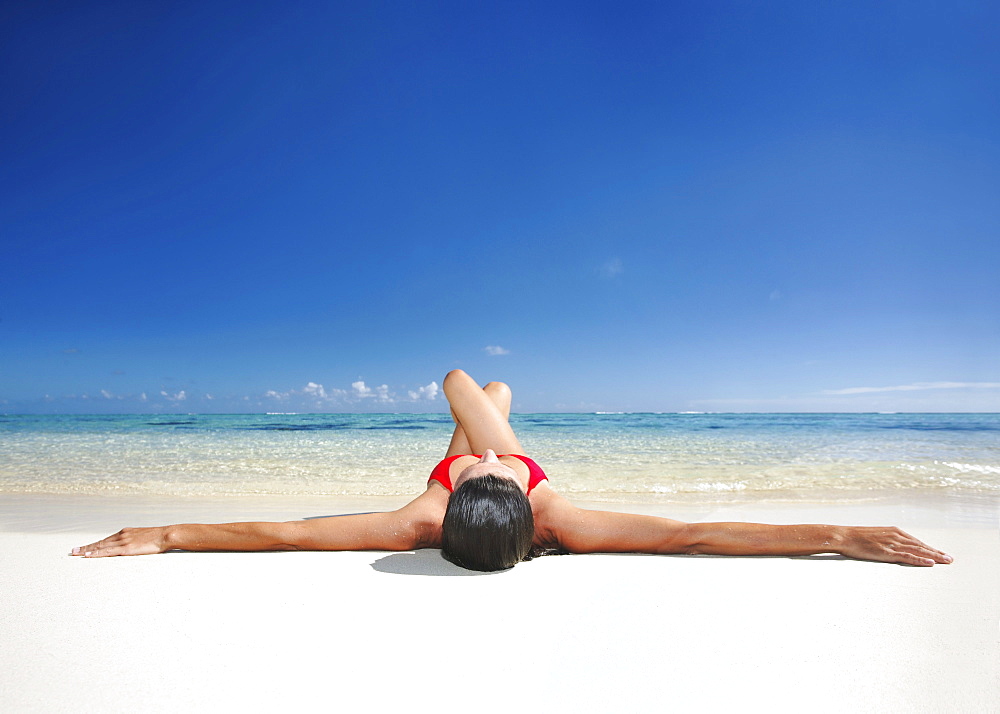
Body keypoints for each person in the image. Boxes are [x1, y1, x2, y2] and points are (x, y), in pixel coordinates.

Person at [71, 369, 953, 570]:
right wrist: (837, 534)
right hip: (529, 465)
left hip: (459, 464)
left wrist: (167, 533)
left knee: (462, 383)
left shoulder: (422, 515)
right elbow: (691, 536)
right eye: (491, 470)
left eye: (484, 470)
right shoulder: (555, 511)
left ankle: (483, 390)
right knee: (486, 388)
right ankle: (495, 391)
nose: (488, 462)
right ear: (530, 512)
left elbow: (291, 535)